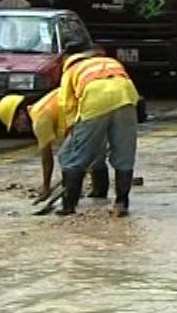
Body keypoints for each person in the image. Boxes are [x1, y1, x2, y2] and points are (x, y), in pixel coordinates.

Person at [56, 45, 141, 217]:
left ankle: (69, 204)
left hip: (94, 100)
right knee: (124, 153)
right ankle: (121, 203)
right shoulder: (110, 62)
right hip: (126, 97)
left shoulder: (71, 70)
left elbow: (67, 105)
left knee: (78, 156)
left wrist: (72, 131)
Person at [0, 89, 112, 204]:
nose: (19, 130)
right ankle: (99, 192)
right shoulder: (41, 106)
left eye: (16, 124)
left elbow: (47, 158)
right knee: (96, 152)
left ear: (20, 113)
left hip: (86, 113)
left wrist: (46, 186)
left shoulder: (39, 119)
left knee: (65, 157)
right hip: (94, 107)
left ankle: (70, 198)